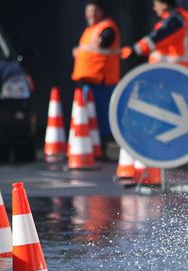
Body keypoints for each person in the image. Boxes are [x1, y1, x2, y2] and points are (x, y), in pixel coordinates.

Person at [72, 0, 120, 155]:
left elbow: (105, 41)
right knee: (90, 116)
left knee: (100, 117)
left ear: (101, 12)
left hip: (101, 81)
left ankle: (102, 148)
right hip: (89, 81)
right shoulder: (90, 30)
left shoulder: (107, 27)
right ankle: (93, 147)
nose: (91, 14)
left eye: (95, 10)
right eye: (89, 10)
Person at [121, 0, 188, 71]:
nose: (154, 8)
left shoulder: (174, 22)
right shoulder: (181, 19)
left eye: (156, 4)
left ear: (164, 5)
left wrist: (134, 49)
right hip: (178, 72)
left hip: (173, 74)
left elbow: (156, 38)